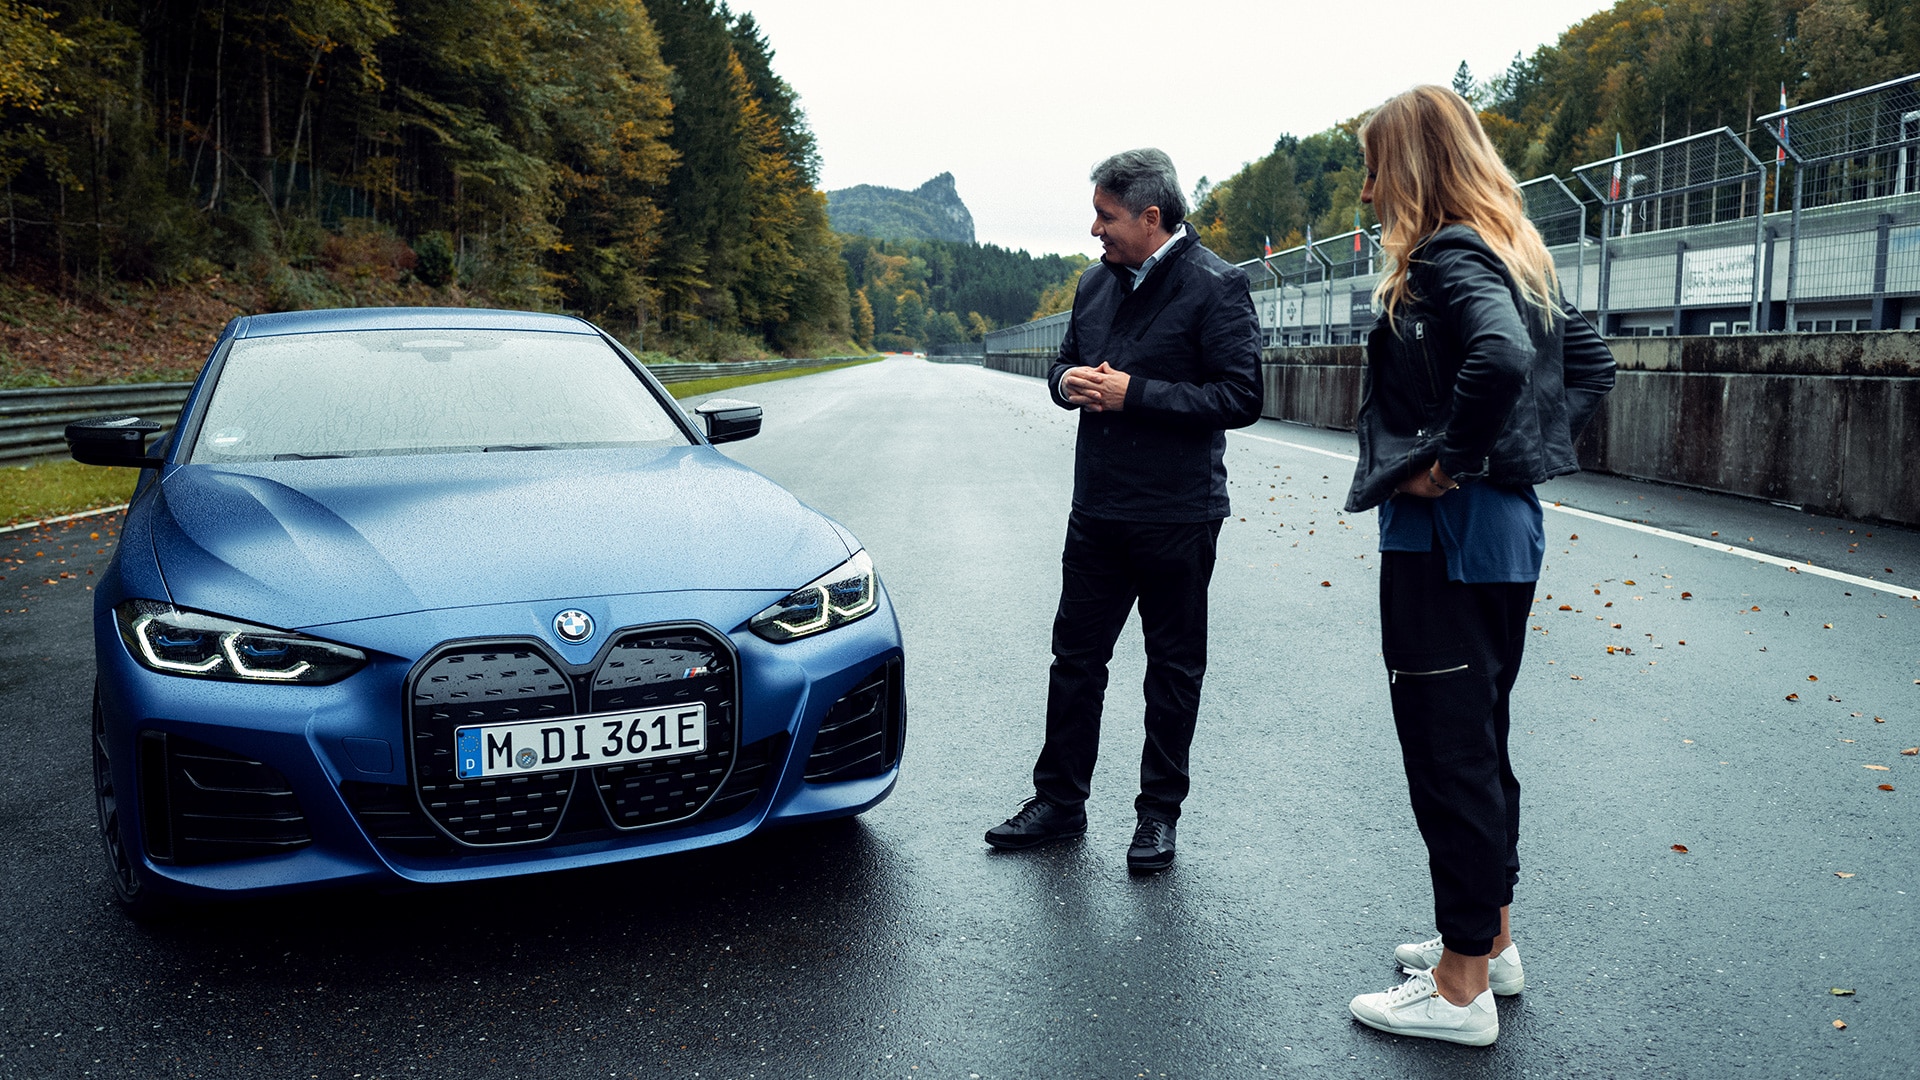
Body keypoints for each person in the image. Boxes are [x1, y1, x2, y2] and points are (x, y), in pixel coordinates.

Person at [1340, 86, 1615, 1045]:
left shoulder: (1449, 250)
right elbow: (1592, 368)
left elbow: (1496, 360)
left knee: (1448, 752)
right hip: (1503, 537)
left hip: (1446, 542)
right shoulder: (1515, 247)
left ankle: (1461, 992)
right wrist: (1517, 458)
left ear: (1411, 165)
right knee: (1481, 739)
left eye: (1377, 164)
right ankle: (1489, 941)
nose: (1368, 188)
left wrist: (1449, 460)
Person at [983, 148, 1262, 874]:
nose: (1094, 229)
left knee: (1173, 669)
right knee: (1075, 660)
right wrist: (1065, 380)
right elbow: (1063, 365)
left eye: (1106, 216)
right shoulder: (1092, 284)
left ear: (1150, 216)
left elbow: (1241, 397)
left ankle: (1158, 816)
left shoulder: (1216, 285)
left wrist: (1133, 393)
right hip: (1098, 510)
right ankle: (1058, 803)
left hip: (1178, 515)